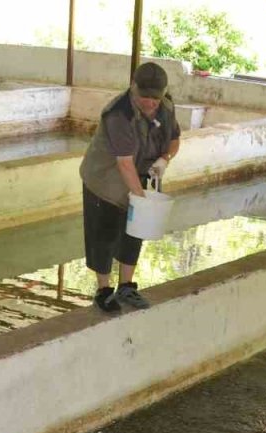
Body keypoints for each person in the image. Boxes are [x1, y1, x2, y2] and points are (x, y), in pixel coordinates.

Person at [78, 62, 182, 313]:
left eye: (154, 99)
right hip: (105, 180)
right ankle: (103, 290)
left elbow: (175, 139)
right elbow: (123, 163)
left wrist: (164, 159)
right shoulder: (119, 114)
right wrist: (142, 199)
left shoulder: (166, 107)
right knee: (104, 234)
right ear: (133, 88)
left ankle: (127, 286)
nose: (149, 103)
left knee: (134, 230)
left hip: (141, 172)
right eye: (143, 97)